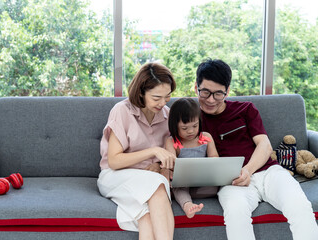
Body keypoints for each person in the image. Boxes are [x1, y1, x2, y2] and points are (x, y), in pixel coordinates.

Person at [195, 58, 318, 240]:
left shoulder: (245, 109)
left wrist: (248, 170)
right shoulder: (190, 119)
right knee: (236, 214)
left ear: (228, 91)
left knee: (299, 205)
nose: (211, 100)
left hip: (268, 173)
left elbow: (265, 145)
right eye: (205, 92)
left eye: (218, 94)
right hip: (232, 183)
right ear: (196, 87)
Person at [97, 62, 176, 240]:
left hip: (147, 178)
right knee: (157, 186)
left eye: (167, 97)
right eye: (156, 98)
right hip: (115, 176)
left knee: (145, 216)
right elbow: (114, 161)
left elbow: (168, 155)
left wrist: (157, 164)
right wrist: (153, 151)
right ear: (141, 92)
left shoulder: (167, 114)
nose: (162, 103)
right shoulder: (122, 111)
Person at [165, 98, 219, 219]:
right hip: (183, 182)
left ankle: (187, 195)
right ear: (174, 126)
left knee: (218, 186)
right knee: (179, 188)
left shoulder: (206, 137)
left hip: (203, 180)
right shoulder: (171, 141)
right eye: (184, 128)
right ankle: (187, 204)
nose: (190, 131)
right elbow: (171, 162)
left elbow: (215, 158)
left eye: (195, 126)